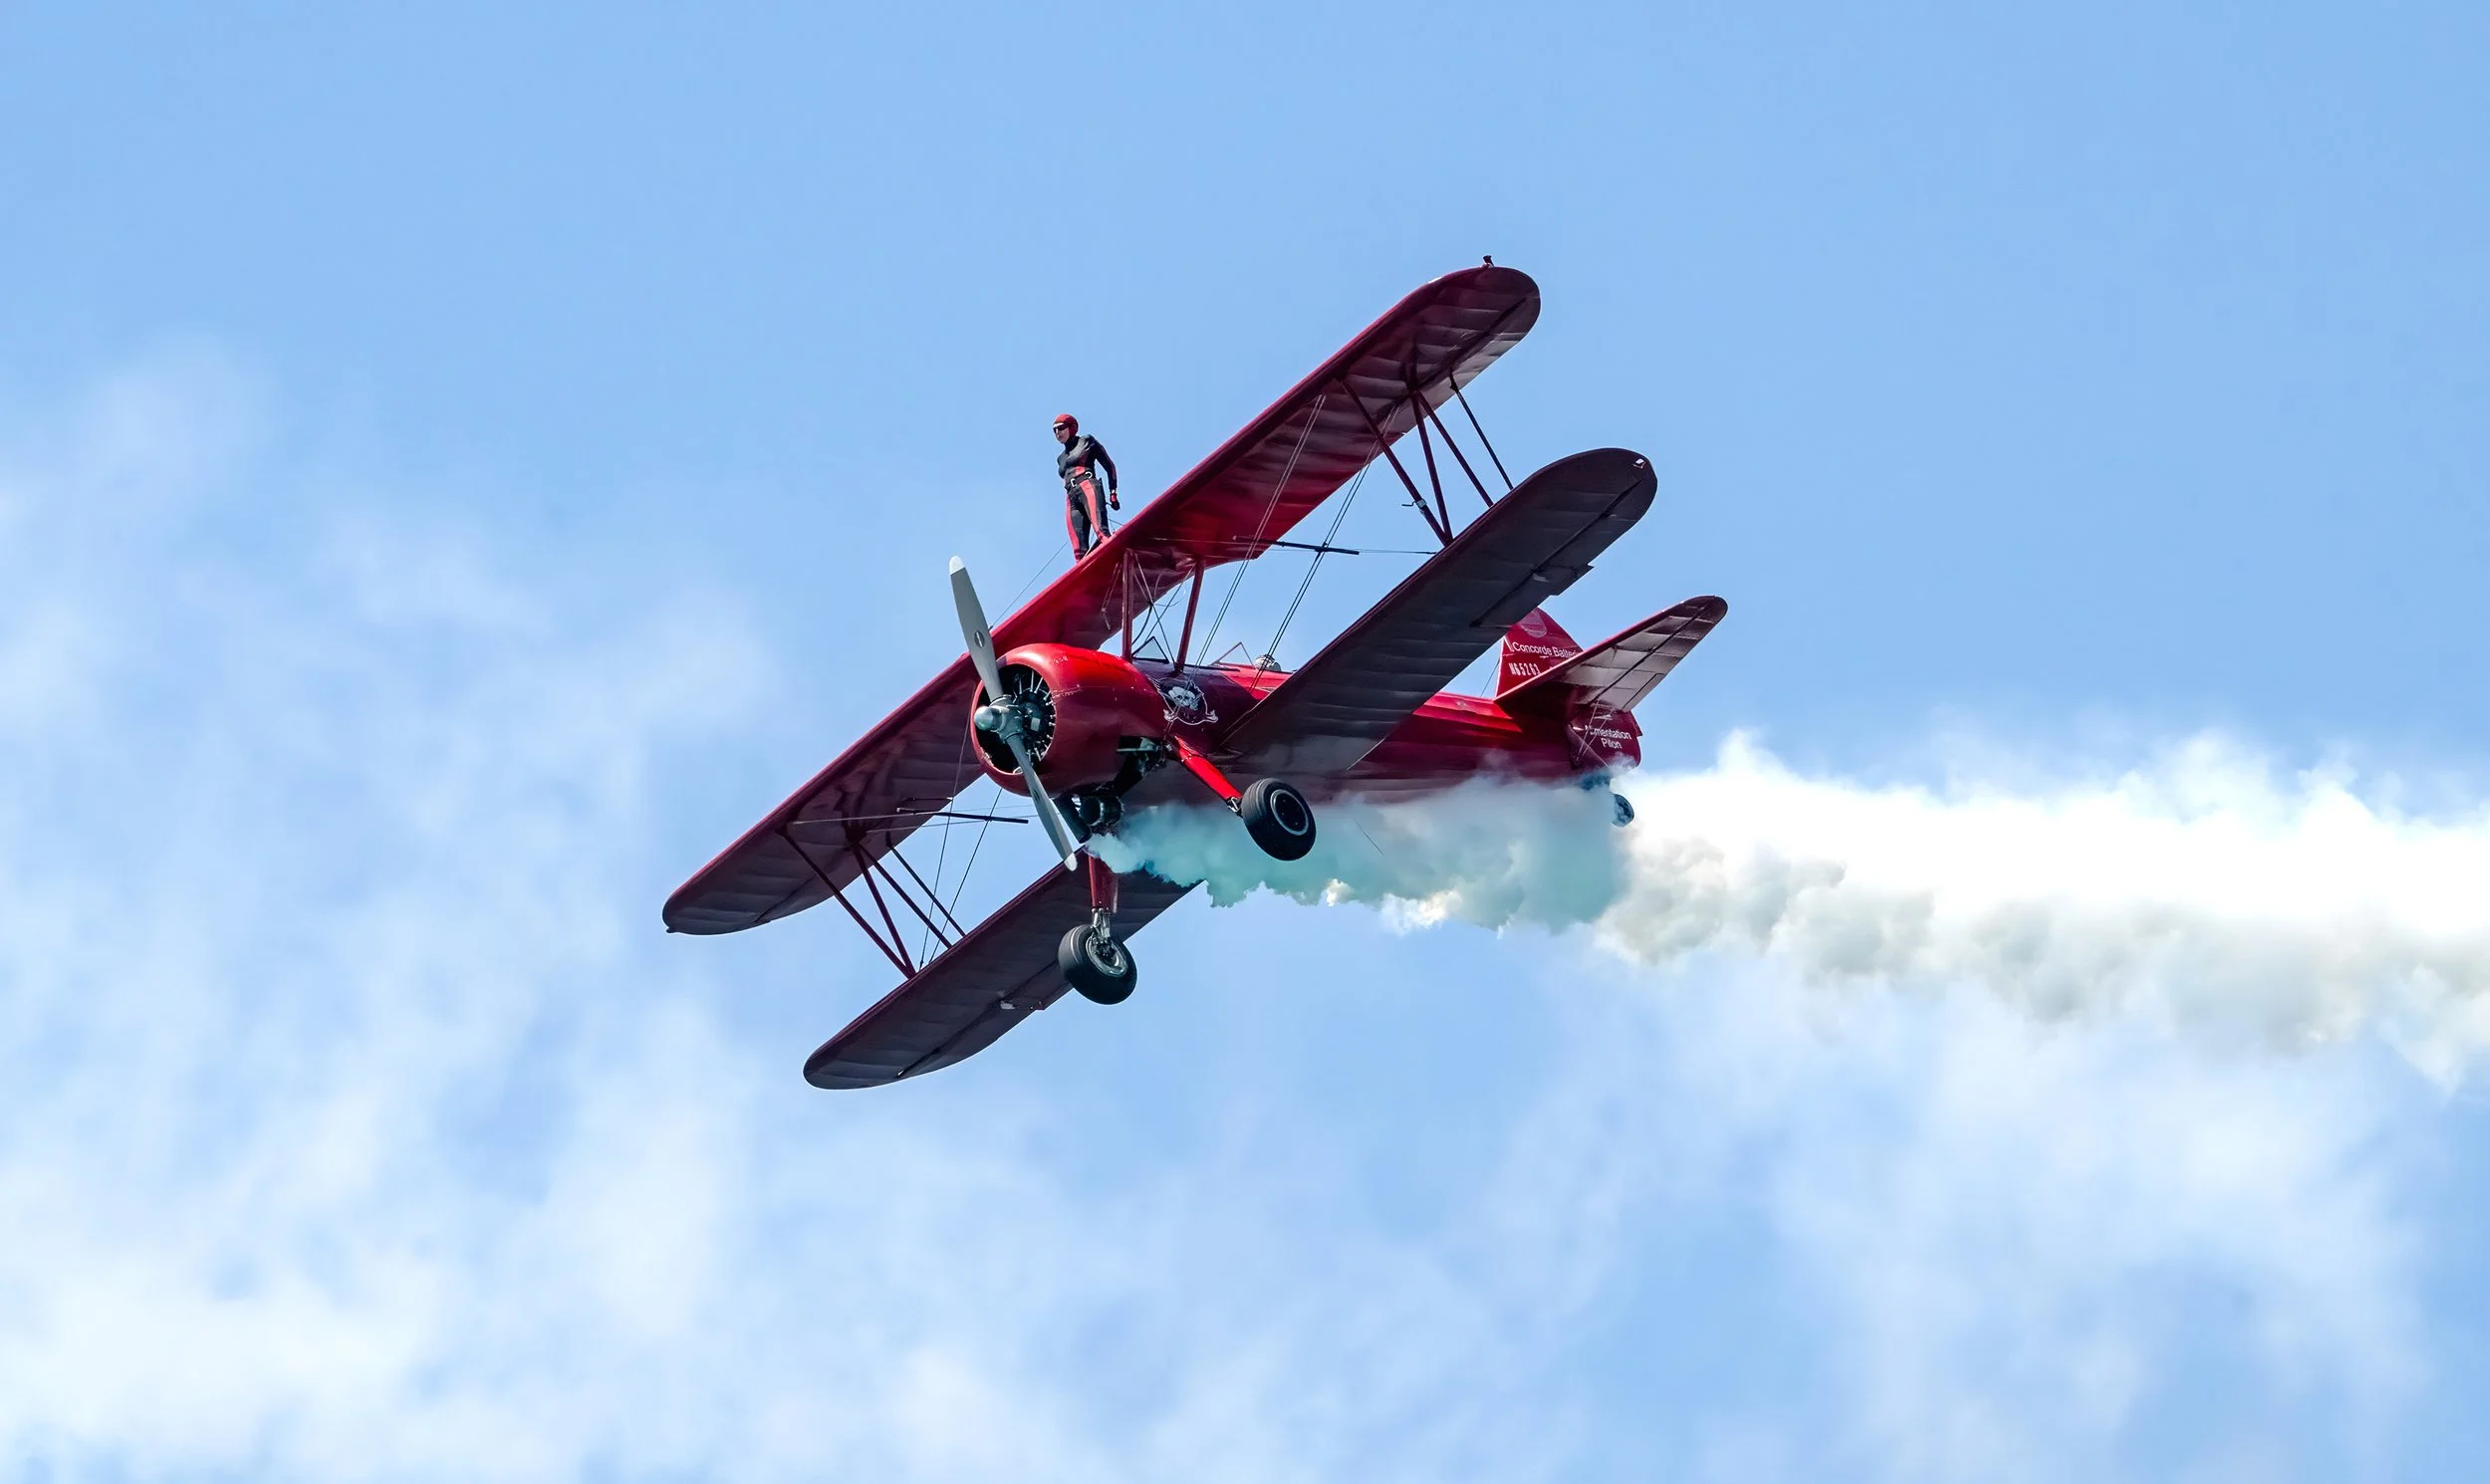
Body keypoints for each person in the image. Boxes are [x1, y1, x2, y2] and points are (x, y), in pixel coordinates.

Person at [1053, 413, 1120, 559]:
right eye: (1055, 430)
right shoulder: (1060, 459)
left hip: (1087, 486)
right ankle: (1086, 571)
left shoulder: (1086, 441)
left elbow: (1109, 465)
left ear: (1071, 427)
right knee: (1078, 551)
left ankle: (1115, 555)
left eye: (1061, 428)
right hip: (1071, 498)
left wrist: (1113, 492)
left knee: (1101, 532)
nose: (1057, 432)